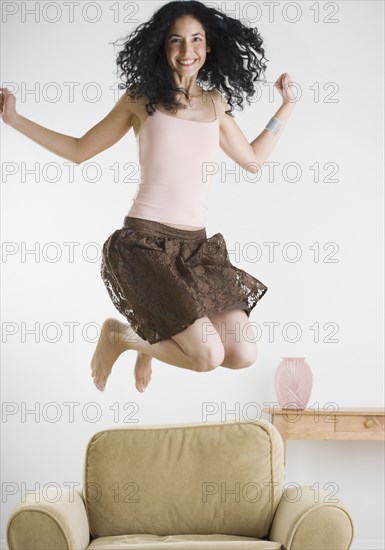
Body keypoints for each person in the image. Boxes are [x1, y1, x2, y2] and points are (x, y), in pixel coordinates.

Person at [0, 0, 296, 394]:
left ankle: (145, 341)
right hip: (145, 245)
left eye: (196, 40)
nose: (187, 50)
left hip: (197, 251)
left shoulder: (214, 104)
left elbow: (253, 160)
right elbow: (78, 150)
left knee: (242, 354)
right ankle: (121, 337)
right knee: (206, 356)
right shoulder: (141, 99)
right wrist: (15, 119)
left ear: (209, 48)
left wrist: (287, 106)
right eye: (176, 40)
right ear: (161, 46)